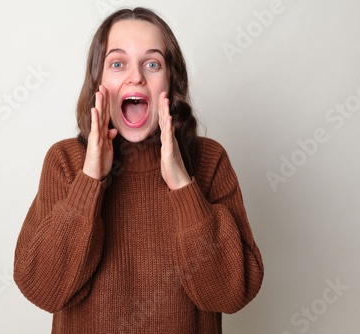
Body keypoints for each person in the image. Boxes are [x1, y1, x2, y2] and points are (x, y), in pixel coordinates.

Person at [13, 7, 264, 333]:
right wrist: (90, 180)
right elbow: (43, 290)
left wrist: (182, 185)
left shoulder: (210, 161)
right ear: (98, 82)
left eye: (152, 64)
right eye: (117, 64)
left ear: (171, 82)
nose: (136, 77)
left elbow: (232, 294)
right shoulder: (65, 161)